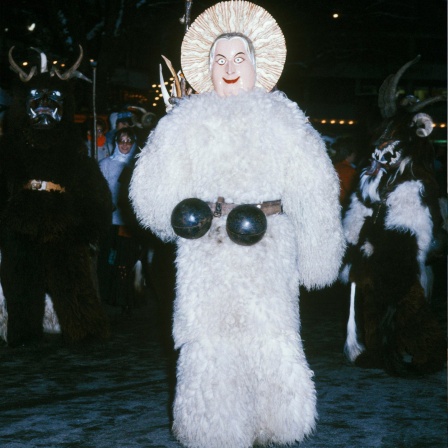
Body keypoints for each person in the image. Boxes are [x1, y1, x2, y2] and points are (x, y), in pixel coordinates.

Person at [130, 2, 344, 447]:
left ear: (257, 64)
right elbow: (151, 194)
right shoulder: (185, 121)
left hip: (270, 250)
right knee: (208, 344)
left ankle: (273, 425)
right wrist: (175, 197)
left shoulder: (284, 118)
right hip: (205, 253)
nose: (229, 68)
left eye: (239, 58)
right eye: (219, 60)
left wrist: (318, 255)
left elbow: (316, 189)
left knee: (272, 333)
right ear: (206, 67)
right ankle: (213, 431)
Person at [97, 128, 140, 312]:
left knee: (125, 260)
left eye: (128, 141)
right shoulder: (106, 164)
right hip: (109, 220)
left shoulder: (137, 165)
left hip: (127, 222)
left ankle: (124, 298)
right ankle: (106, 295)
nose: (125, 145)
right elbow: (99, 189)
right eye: (121, 141)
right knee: (107, 259)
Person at [332, 135, 358, 207]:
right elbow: (351, 193)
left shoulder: (334, 166)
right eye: (354, 153)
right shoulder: (349, 171)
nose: (355, 156)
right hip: (342, 206)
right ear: (349, 154)